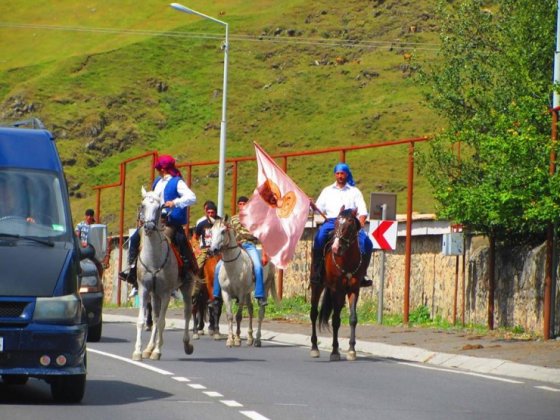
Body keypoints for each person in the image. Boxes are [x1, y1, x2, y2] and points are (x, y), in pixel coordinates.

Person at [119, 155, 197, 289]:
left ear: (165, 168)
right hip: (153, 221)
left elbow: (192, 197)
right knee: (134, 238)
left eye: (160, 168)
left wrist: (175, 202)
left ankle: (185, 271)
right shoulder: (157, 182)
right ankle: (132, 270)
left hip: (169, 221)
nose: (158, 171)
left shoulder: (177, 182)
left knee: (179, 240)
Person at [311, 162, 373, 287]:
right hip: (331, 222)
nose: (340, 176)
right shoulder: (327, 191)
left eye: (342, 173)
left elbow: (363, 211)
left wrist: (360, 223)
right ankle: (317, 271)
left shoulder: (354, 191)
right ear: (335, 174)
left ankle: (362, 274)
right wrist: (312, 205)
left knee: (367, 243)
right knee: (319, 239)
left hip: (350, 224)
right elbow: (317, 209)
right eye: (338, 173)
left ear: (346, 174)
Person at [211, 196, 268, 307]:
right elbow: (228, 234)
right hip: (235, 246)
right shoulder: (233, 219)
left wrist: (264, 253)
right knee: (218, 268)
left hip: (250, 245)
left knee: (257, 266)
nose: (242, 205)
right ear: (238, 205)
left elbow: (262, 236)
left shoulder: (255, 218)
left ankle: (260, 295)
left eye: (244, 203)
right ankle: (216, 297)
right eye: (240, 203)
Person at [191, 201, 220, 300]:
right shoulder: (201, 223)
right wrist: (197, 248)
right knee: (197, 267)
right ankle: (194, 291)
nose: (211, 214)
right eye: (209, 212)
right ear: (206, 212)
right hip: (205, 249)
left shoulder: (220, 222)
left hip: (219, 249)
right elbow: (194, 237)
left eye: (212, 212)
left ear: (215, 212)